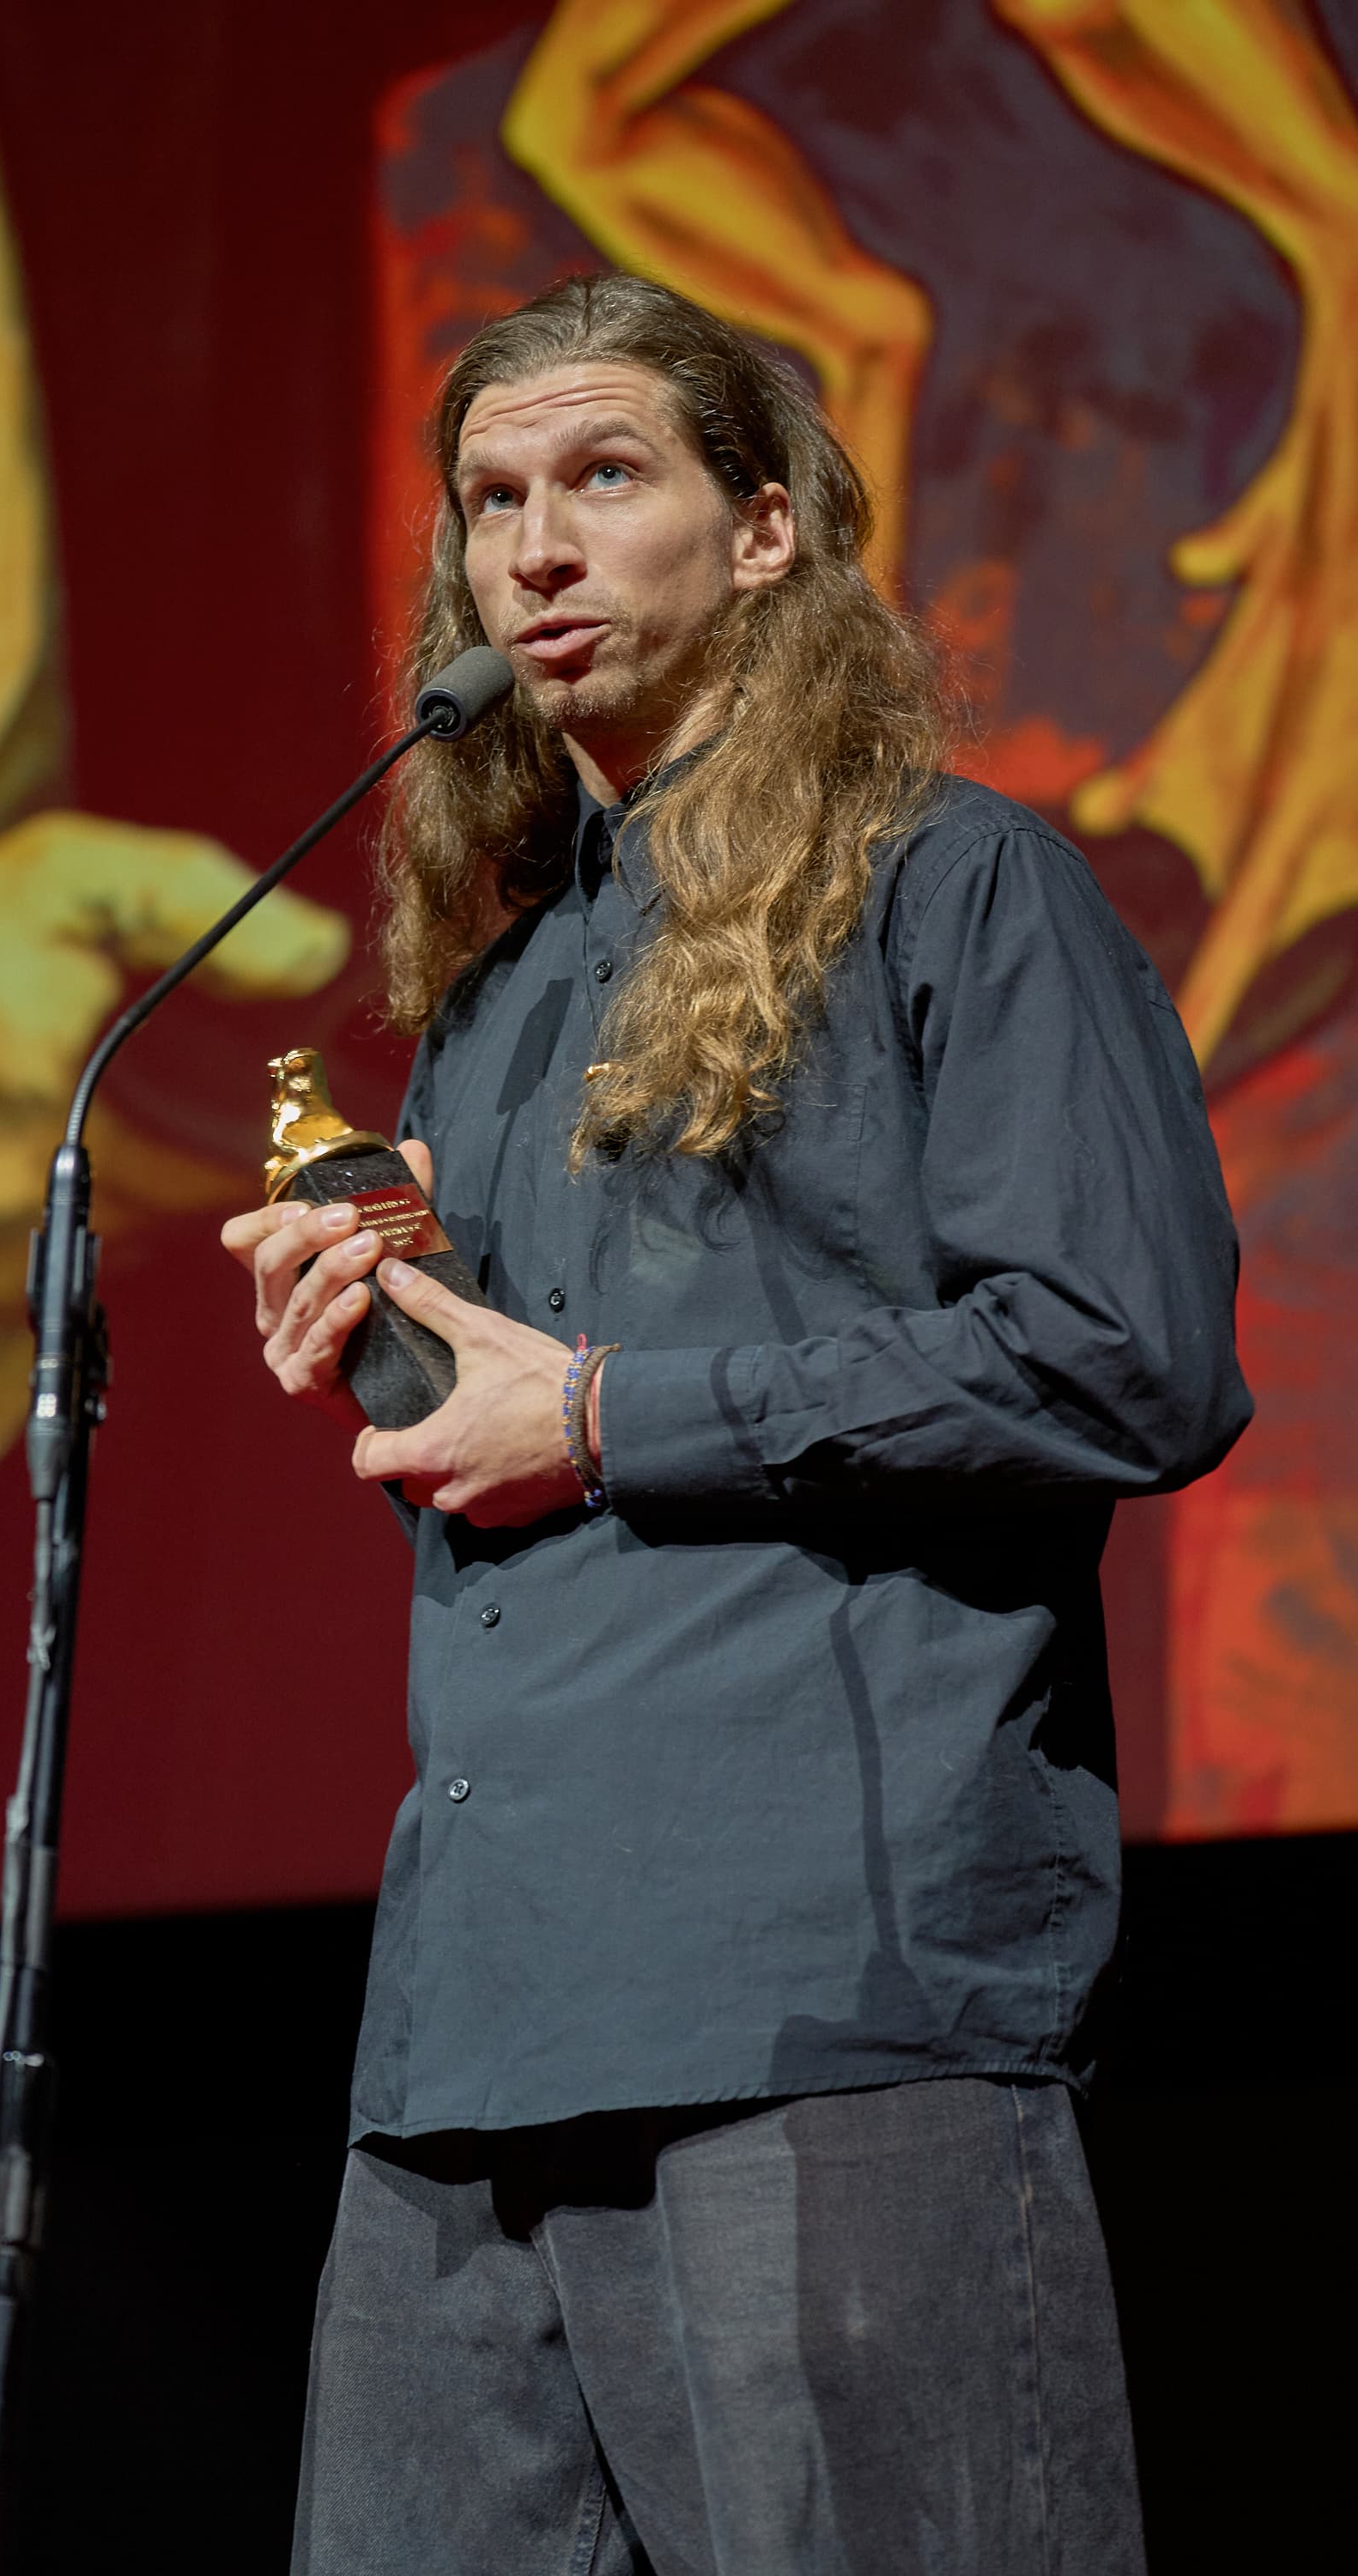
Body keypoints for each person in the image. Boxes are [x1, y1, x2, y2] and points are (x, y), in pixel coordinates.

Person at [221, 274, 1250, 2576]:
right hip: (473, 2036)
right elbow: (517, 1416)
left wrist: (609, 1411)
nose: (537, 551)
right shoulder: (491, 1002)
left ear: (766, 528)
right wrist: (388, 1314)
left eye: (606, 477)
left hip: (817, 2000)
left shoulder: (957, 887)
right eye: (493, 503)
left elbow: (1129, 1351)